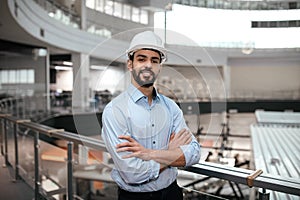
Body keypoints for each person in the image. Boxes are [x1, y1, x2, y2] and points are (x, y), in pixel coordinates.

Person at [102, 30, 201, 200]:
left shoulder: (171, 107)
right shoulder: (115, 111)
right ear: (130, 64)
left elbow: (193, 152)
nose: (148, 65)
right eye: (141, 59)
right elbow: (132, 173)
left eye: (154, 60)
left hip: (172, 193)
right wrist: (169, 152)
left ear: (159, 67)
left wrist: (149, 154)